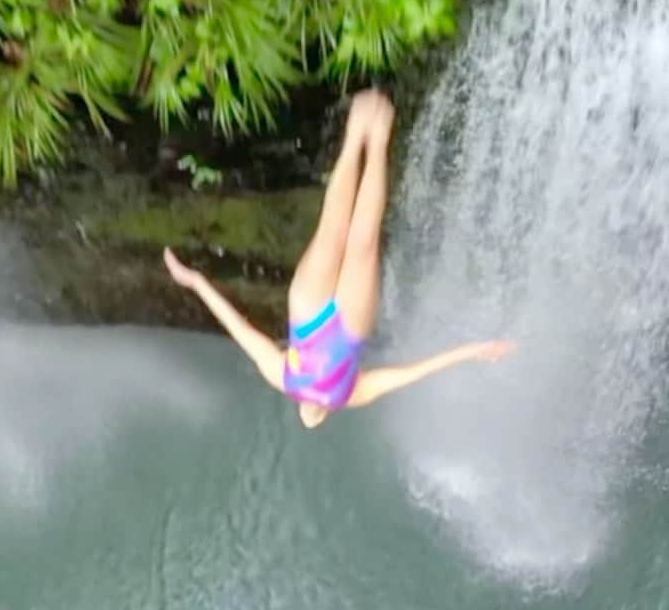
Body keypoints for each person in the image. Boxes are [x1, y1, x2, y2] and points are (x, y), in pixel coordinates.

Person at [164, 89, 515, 429]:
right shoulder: (348, 394)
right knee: (358, 240)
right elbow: (407, 374)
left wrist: (196, 282)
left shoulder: (286, 378)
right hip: (342, 325)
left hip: (309, 317)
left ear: (304, 407)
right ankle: (374, 139)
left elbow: (241, 331)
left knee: (338, 233)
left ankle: (360, 135)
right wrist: (472, 351)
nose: (313, 409)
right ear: (325, 413)